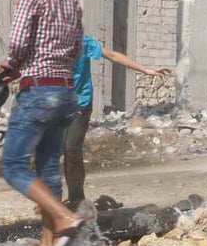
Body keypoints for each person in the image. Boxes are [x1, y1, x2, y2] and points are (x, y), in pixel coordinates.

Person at [0, 0, 84, 246]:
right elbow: (76, 48)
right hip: (66, 91)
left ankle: (65, 217)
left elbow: (19, 43)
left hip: (39, 92)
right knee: (48, 170)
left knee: (13, 166)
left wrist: (8, 67)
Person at [62, 35, 172, 211]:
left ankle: (76, 200)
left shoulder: (81, 40)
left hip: (80, 102)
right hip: (55, 103)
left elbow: (112, 55)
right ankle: (50, 200)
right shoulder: (45, 42)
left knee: (71, 148)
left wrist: (144, 69)